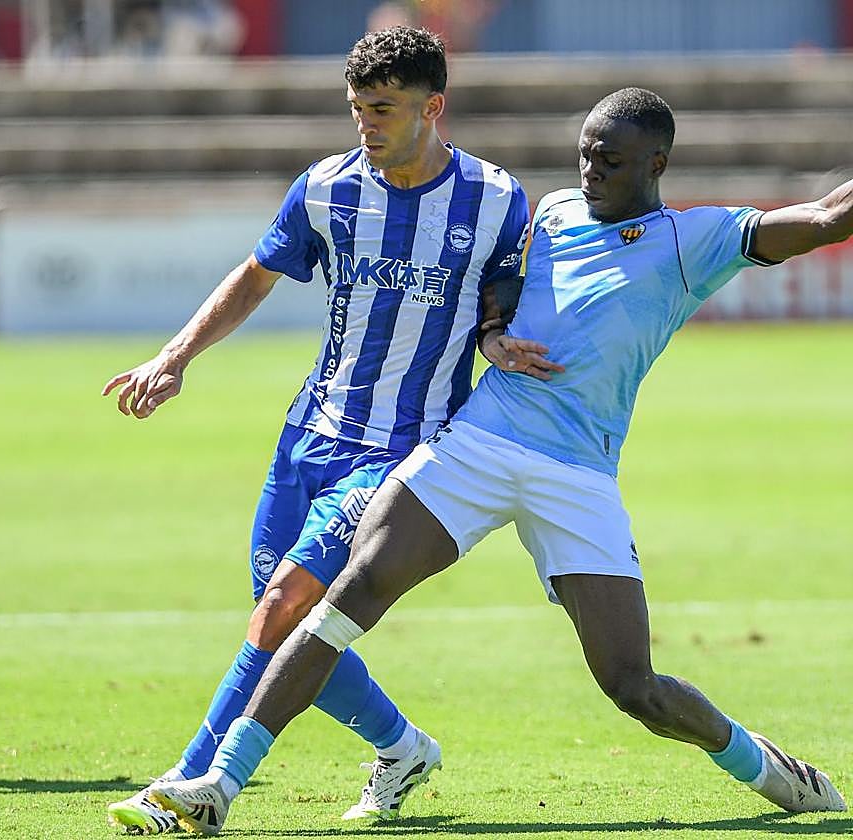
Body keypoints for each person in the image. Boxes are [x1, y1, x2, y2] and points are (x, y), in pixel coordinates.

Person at [147, 87, 849, 834]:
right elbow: (502, 289)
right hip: (479, 442)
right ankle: (218, 785)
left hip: (577, 474)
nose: (590, 170)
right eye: (584, 153)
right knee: (341, 599)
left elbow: (827, 219)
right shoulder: (550, 212)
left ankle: (765, 767)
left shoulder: (694, 240)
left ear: (657, 164)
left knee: (632, 685)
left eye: (609, 161)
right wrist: (491, 334)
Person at [102, 25, 556, 835]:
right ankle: (401, 744)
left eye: (383, 109)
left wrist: (495, 341)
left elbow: (496, 306)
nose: (367, 125)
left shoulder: (495, 200)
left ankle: (193, 781)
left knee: (283, 605)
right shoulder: (326, 187)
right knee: (276, 617)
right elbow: (256, 274)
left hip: (405, 446)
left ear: (434, 106)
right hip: (309, 431)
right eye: (357, 109)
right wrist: (176, 357)